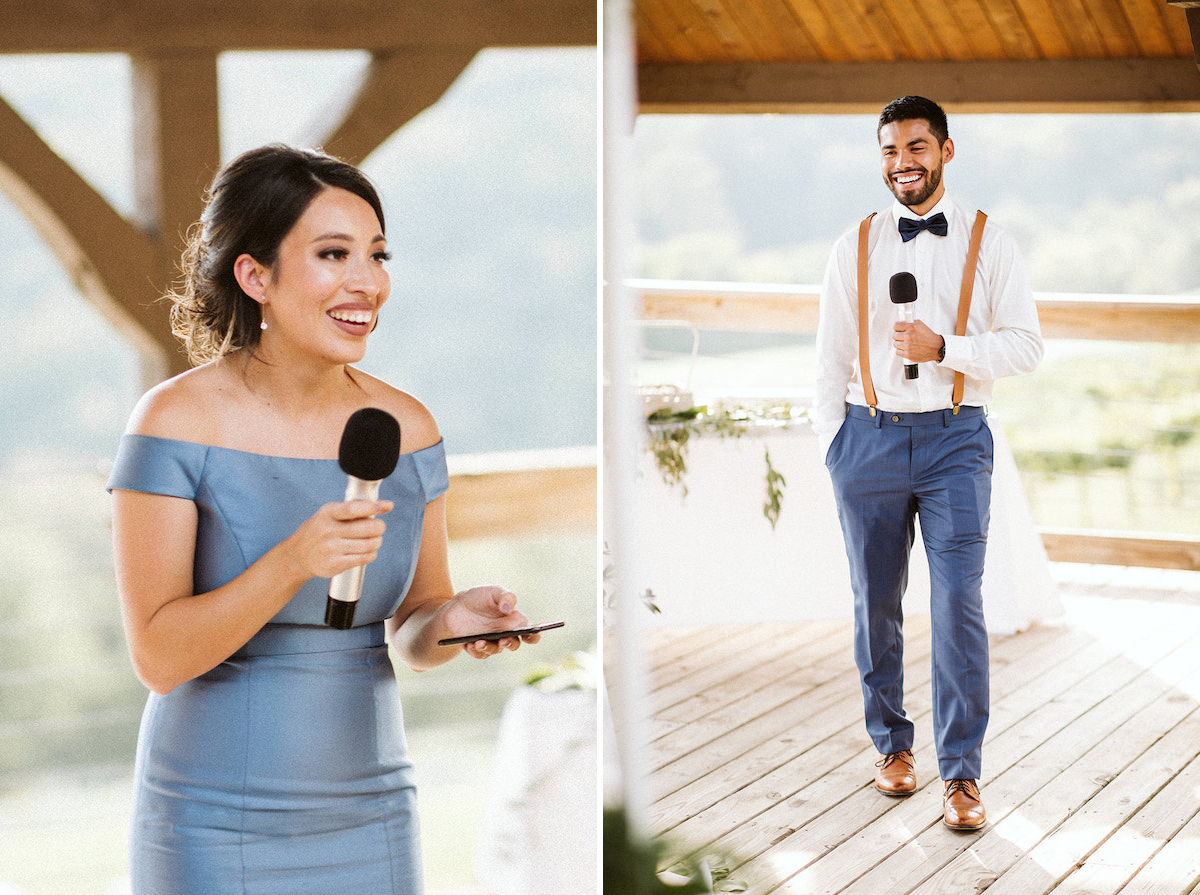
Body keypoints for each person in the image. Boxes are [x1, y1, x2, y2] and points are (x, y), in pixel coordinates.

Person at [107, 144, 540, 893]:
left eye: (376, 254)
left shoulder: (407, 426)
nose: (366, 282)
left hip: (371, 816)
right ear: (256, 276)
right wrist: (293, 559)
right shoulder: (175, 421)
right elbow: (158, 657)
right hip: (211, 823)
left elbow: (412, 626)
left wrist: (457, 617)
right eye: (333, 254)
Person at [812, 96, 1043, 831]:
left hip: (956, 438)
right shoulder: (852, 245)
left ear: (946, 150)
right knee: (875, 602)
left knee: (957, 604)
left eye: (916, 146)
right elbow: (828, 357)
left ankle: (964, 773)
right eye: (889, 149)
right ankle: (890, 746)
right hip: (868, 439)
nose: (902, 161)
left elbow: (1027, 347)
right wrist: (834, 444)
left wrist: (948, 348)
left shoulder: (991, 241)